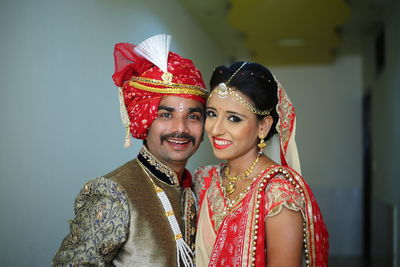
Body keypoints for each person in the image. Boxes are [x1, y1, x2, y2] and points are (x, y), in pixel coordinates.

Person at [52, 34, 208, 267]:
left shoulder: (196, 188)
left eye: (193, 116)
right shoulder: (113, 192)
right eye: (166, 115)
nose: (180, 128)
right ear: (144, 120)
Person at [194, 62, 329, 267]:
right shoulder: (204, 179)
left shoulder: (278, 194)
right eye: (212, 114)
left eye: (233, 118)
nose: (215, 129)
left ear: (263, 126)